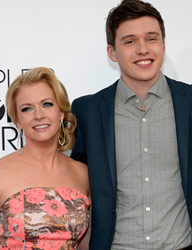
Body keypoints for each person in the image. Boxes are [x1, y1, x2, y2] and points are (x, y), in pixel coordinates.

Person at [70, 0, 192, 249]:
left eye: (151, 38)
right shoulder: (87, 111)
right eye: (129, 41)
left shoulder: (189, 102)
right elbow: (74, 183)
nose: (143, 49)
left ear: (163, 45)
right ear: (112, 52)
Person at [0, 67, 91, 250]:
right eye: (27, 108)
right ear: (18, 121)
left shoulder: (82, 173)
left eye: (47, 104)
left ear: (61, 112)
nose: (38, 115)